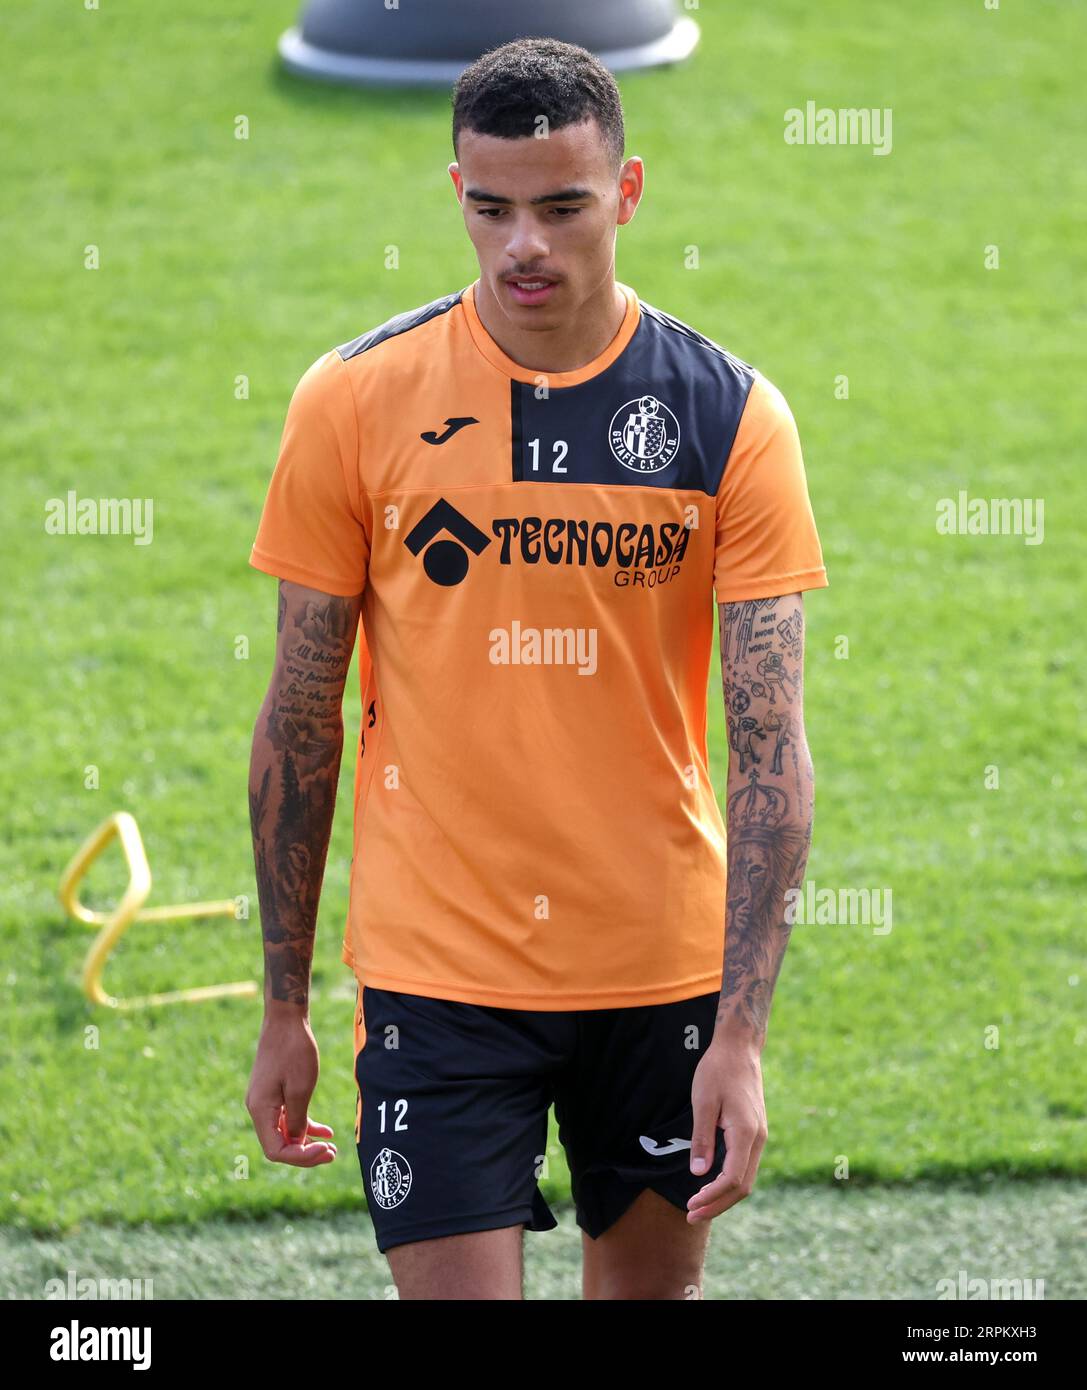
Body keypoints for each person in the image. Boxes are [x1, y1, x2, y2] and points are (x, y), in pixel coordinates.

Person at [245, 35, 828, 1300]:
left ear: (624, 194)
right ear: (453, 190)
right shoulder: (352, 401)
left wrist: (740, 1033)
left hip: (659, 973)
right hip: (434, 977)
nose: (525, 245)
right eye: (491, 207)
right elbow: (299, 718)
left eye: (562, 207)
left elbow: (769, 746)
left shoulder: (730, 417)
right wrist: (283, 1004)